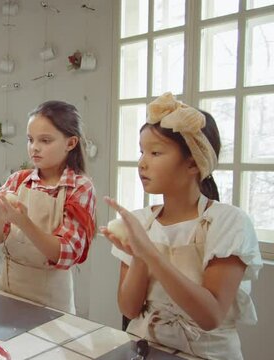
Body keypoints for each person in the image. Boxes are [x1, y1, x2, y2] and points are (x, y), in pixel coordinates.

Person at [101, 92, 263, 359]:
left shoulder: (228, 223)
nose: (142, 163)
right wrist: (139, 257)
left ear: (192, 162)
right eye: (142, 152)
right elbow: (130, 310)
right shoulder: (140, 221)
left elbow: (210, 316)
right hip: (146, 348)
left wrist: (149, 253)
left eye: (155, 153)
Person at [0, 101, 96, 313]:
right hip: (7, 293)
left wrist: (23, 222)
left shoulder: (79, 187)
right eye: (30, 139)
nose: (34, 147)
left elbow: (66, 253)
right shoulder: (19, 180)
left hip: (51, 305)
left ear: (71, 143)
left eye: (45, 140)